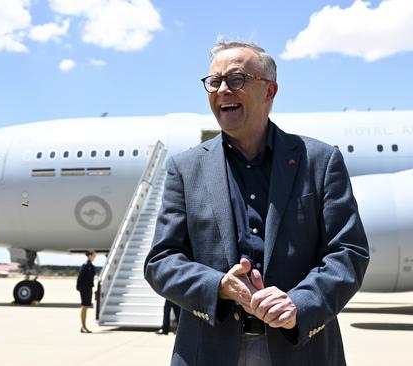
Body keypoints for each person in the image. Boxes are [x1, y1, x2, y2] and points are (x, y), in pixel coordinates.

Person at [144, 40, 370, 365]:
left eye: (236, 79)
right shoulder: (185, 168)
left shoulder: (320, 162)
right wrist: (218, 285)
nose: (222, 89)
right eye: (214, 81)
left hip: (300, 350)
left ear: (270, 91)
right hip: (208, 352)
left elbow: (348, 252)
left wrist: (300, 303)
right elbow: (161, 261)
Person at [76, 250, 96, 333]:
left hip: (88, 288)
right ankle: (83, 326)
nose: (95, 257)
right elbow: (80, 277)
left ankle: (83, 326)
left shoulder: (91, 265)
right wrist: (78, 287)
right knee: (84, 306)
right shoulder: (85, 265)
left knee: (86, 306)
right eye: (94, 255)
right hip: (84, 288)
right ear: (89, 255)